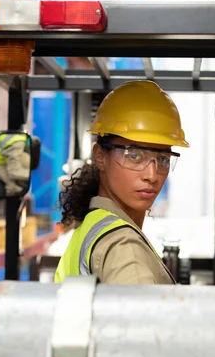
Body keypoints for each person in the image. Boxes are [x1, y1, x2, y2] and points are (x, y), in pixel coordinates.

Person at [54, 80, 189, 285]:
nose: (152, 175)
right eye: (134, 155)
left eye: (162, 159)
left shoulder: (92, 224)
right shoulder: (124, 248)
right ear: (100, 156)